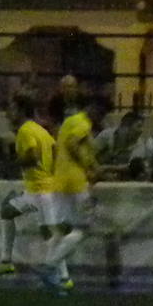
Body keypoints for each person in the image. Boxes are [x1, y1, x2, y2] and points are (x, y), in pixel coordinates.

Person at [0, 94, 60, 281]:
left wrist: (11, 160)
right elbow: (54, 153)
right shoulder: (41, 130)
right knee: (7, 211)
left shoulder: (26, 131)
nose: (7, 113)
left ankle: (59, 273)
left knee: (49, 233)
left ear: (19, 110)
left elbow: (32, 157)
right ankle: (6, 261)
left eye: (11, 109)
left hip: (40, 190)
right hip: (41, 189)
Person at [43, 92, 107, 292]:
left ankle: (54, 274)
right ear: (94, 110)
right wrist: (89, 166)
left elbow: (66, 147)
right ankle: (51, 264)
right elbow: (73, 145)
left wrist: (95, 165)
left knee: (61, 230)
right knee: (83, 228)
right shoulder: (83, 123)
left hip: (60, 181)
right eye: (101, 115)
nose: (100, 120)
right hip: (76, 181)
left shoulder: (69, 121)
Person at [94, 109, 153, 180]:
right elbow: (90, 154)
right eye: (139, 126)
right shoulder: (106, 135)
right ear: (126, 126)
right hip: (94, 172)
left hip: (116, 179)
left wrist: (106, 168)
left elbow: (131, 167)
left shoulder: (140, 145)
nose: (141, 130)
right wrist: (97, 171)